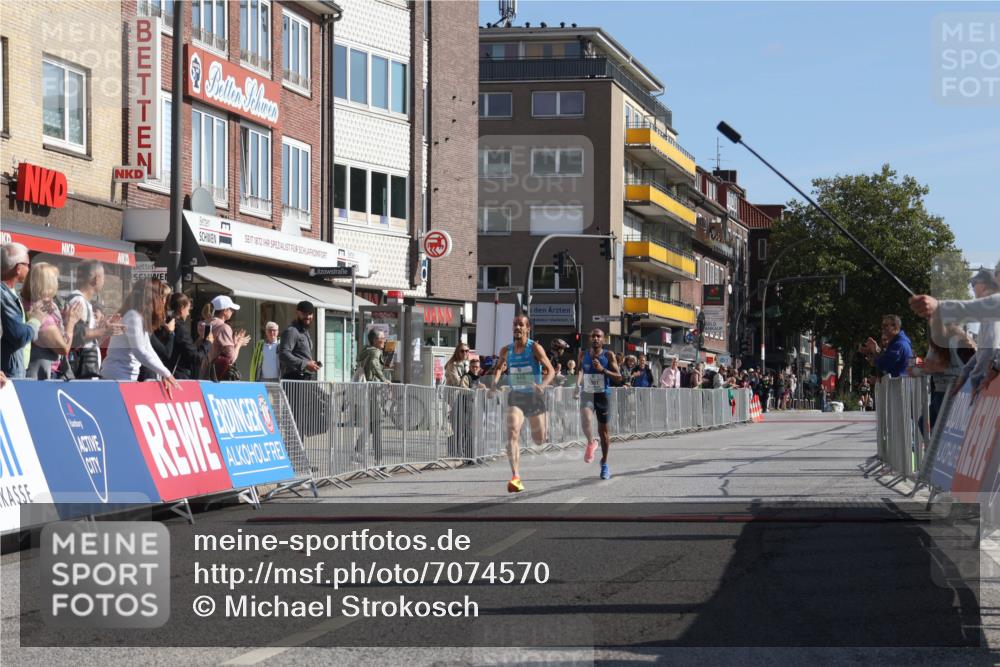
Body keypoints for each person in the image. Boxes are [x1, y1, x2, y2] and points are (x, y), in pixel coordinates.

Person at [493, 315, 556, 492]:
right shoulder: (506, 350)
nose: (517, 327)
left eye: (521, 325)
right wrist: (494, 383)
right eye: (515, 324)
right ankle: (516, 477)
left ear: (528, 329)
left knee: (539, 440)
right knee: (512, 430)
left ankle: (546, 424)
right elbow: (498, 367)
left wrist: (542, 386)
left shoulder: (535, 348)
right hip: (517, 396)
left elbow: (550, 370)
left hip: (534, 397)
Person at [100, 278, 180, 396]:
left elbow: (148, 349)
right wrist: (166, 373)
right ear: (151, 297)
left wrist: (165, 373)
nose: (163, 302)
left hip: (123, 378)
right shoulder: (133, 316)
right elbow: (140, 351)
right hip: (118, 378)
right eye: (161, 297)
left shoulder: (137, 316)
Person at [22, 262, 83, 379]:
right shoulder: (41, 315)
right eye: (55, 280)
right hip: (45, 377)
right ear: (48, 285)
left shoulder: (27, 304)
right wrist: (70, 322)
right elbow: (63, 349)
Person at [578, 328, 622, 480]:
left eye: (599, 336)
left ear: (603, 339)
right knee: (585, 417)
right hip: (588, 393)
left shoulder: (608, 355)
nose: (595, 338)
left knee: (603, 432)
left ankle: (604, 463)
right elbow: (580, 371)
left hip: (603, 395)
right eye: (593, 336)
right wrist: (576, 386)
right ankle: (591, 442)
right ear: (590, 338)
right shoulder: (583, 354)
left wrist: (603, 370)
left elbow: (618, 377)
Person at [65, 259, 119, 379]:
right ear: (96, 279)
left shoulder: (84, 302)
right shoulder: (78, 301)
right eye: (103, 277)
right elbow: (77, 334)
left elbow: (87, 341)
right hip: (83, 373)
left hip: (87, 371)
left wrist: (103, 330)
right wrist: (103, 330)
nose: (104, 281)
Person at [1, 243, 47, 378]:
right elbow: (18, 336)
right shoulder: (4, 296)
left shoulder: (10, 293)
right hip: (7, 377)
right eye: (28, 264)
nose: (30, 268)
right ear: (18, 268)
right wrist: (35, 319)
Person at [355, 328, 388, 463]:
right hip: (374, 391)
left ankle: (358, 451)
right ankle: (378, 460)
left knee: (372, 425)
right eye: (382, 338)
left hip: (370, 392)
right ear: (375, 340)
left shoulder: (367, 350)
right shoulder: (375, 352)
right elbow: (375, 365)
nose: (384, 341)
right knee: (377, 425)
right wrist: (384, 379)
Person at [860, 314, 913, 378]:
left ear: (895, 327)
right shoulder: (897, 343)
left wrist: (875, 353)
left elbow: (884, 364)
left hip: (898, 385)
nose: (883, 328)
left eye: (885, 325)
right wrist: (874, 353)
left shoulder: (899, 344)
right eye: (882, 326)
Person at [278, 301, 320, 381]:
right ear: (297, 313)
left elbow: (301, 355)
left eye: (310, 314)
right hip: (294, 378)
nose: (308, 316)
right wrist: (306, 364)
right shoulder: (292, 331)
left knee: (323, 394)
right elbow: (283, 354)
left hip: (305, 377)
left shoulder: (305, 332)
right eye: (304, 313)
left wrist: (311, 364)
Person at [165, 293, 202, 380]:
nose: (188, 313)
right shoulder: (180, 328)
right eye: (188, 309)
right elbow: (195, 357)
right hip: (178, 375)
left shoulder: (165, 322)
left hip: (165, 371)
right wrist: (208, 343)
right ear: (182, 308)